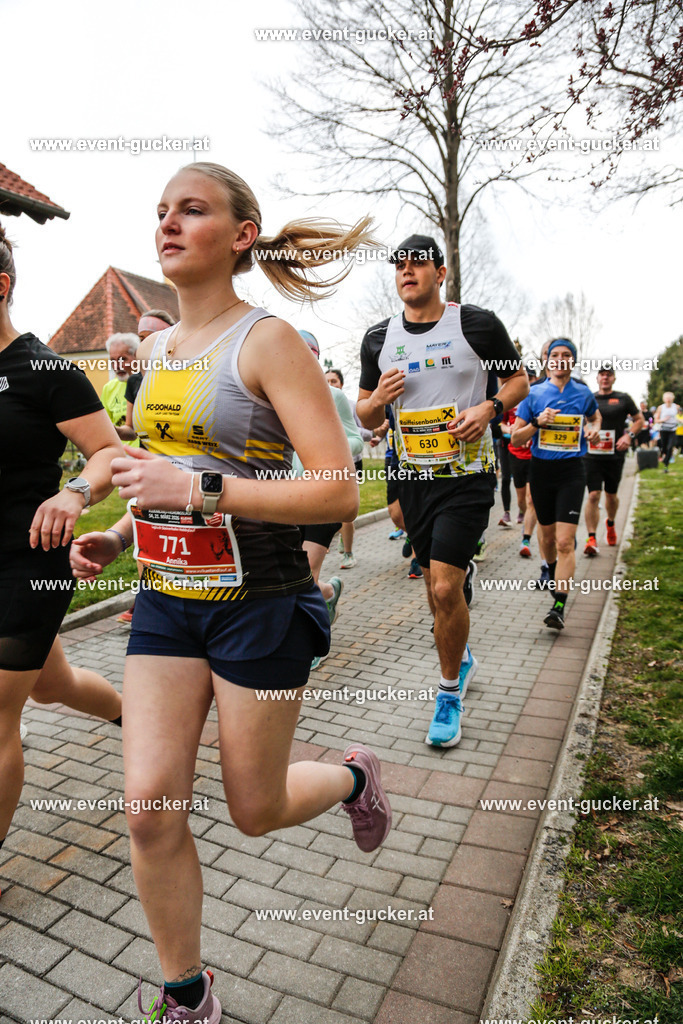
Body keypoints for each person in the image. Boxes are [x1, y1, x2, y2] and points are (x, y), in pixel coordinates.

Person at [69, 162, 391, 1023]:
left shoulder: (268, 341)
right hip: (170, 604)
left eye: (192, 210)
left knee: (255, 808)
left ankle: (354, 778)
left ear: (242, 234)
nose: (167, 225)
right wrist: (121, 532)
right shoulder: (162, 350)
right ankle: (187, 995)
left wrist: (201, 495)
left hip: (262, 600)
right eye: (161, 212)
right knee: (148, 810)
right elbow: (161, 478)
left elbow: (334, 488)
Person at [357, 233, 528, 747]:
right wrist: (378, 400)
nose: (407, 272)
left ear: (440, 272)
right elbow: (363, 411)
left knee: (445, 587)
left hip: (468, 476)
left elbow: (518, 381)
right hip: (413, 479)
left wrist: (488, 409)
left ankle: (448, 692)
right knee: (437, 591)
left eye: (417, 264)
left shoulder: (476, 324)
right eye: (399, 266)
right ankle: (462, 652)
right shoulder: (378, 338)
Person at [0, 223, 124, 884]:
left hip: (29, 557)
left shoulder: (44, 369)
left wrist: (75, 493)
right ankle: (134, 716)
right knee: (53, 686)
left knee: (0, 710)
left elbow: (108, 452)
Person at [512, 339, 601, 629]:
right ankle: (550, 569)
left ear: (572, 361)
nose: (560, 359)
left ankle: (559, 605)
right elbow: (515, 438)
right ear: (547, 360)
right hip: (541, 471)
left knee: (565, 542)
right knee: (548, 539)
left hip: (572, 472)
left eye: (566, 355)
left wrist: (593, 429)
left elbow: (595, 416)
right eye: (555, 355)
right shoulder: (533, 393)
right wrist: (537, 423)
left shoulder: (583, 393)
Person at [295, 335, 363, 668]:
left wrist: (326, 455)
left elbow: (356, 439)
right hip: (286, 496)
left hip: (325, 494)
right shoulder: (274, 397)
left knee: (306, 568)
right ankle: (328, 593)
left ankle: (314, 643)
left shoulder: (334, 396)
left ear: (317, 359)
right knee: (294, 576)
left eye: (307, 354)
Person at [118, 310, 177, 625]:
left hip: (183, 471)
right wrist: (109, 430)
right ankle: (147, 602)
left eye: (149, 337)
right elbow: (130, 428)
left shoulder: (189, 370)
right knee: (145, 538)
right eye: (140, 339)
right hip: (147, 470)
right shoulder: (137, 380)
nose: (144, 345)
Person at [583, 364, 643, 553]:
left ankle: (610, 523)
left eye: (609, 375)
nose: (605, 378)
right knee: (593, 495)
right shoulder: (589, 398)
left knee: (611, 495)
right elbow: (581, 420)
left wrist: (628, 436)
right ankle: (591, 538)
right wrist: (586, 431)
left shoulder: (623, 398)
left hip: (614, 454)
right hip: (591, 454)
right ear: (597, 378)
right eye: (602, 374)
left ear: (614, 378)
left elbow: (639, 419)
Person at [325, 367, 378, 569]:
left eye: (334, 382)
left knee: (346, 511)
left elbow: (365, 432)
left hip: (351, 462)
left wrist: (341, 440)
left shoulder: (349, 405)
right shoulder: (316, 402)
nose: (330, 385)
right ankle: (328, 537)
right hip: (325, 464)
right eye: (326, 381)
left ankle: (348, 553)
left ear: (341, 384)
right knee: (330, 508)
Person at [101, 333, 141, 444]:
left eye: (123, 359)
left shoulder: (148, 383)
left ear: (137, 355)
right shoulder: (108, 388)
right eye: (112, 360)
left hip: (146, 454)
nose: (117, 366)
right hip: (120, 455)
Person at [654, 391, 680, 472]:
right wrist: (663, 420)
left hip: (673, 429)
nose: (668, 399)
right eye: (667, 398)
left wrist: (679, 419)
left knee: (670, 447)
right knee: (664, 447)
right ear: (664, 399)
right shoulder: (661, 407)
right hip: (663, 429)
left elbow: (680, 416)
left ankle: (666, 465)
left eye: (670, 398)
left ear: (672, 398)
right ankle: (663, 455)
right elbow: (656, 420)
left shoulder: (676, 407)